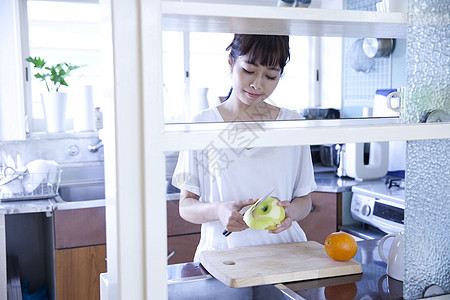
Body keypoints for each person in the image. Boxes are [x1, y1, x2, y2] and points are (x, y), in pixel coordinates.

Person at [172, 34, 317, 261]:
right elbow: (186, 204)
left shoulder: (293, 123)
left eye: (271, 76)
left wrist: (290, 213)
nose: (258, 84)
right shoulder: (203, 124)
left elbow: (304, 200)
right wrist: (218, 210)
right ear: (231, 62)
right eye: (249, 70)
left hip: (285, 255)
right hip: (223, 259)